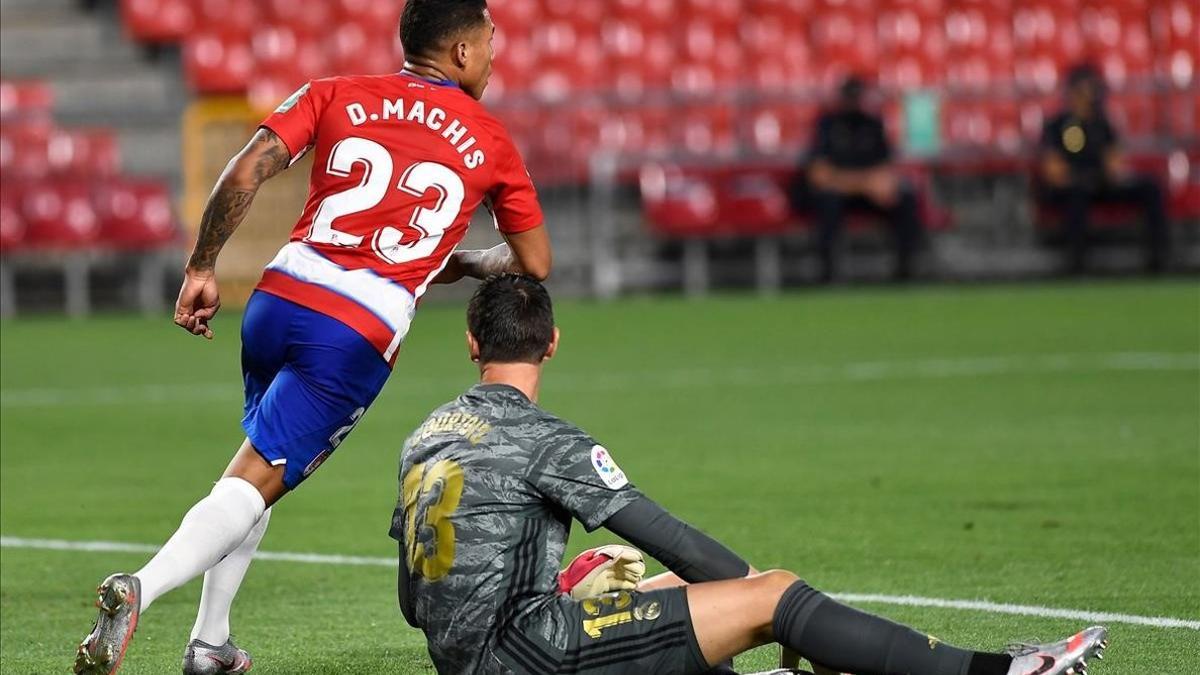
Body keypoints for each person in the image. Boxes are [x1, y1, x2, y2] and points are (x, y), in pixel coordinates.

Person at [73, 2, 551, 674]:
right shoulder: (490, 139)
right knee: (257, 478)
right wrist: (466, 261)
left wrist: (203, 265)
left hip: (278, 297)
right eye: (491, 43)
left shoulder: (336, 92)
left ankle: (210, 643)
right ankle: (141, 587)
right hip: (354, 329)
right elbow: (532, 261)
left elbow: (247, 168)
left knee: (253, 467)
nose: (495, 57)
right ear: (464, 53)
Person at [390, 273, 1109, 675]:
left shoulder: (423, 435)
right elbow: (677, 540)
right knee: (767, 590)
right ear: (552, 342)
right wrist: (767, 603)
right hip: (525, 656)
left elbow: (412, 603)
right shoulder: (548, 440)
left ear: (472, 343)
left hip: (475, 655)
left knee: (674, 593)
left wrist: (559, 583)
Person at [1037, 63, 1169, 274]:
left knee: (1150, 187)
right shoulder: (1056, 125)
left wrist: (1110, 173)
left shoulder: (1102, 124)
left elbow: (1115, 162)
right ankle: (1076, 263)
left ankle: (1159, 257)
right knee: (1076, 195)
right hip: (1073, 187)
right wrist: (1077, 178)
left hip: (1100, 183)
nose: (1088, 97)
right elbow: (1053, 170)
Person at [798, 76, 923, 283]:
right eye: (850, 97)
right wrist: (864, 183)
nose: (854, 102)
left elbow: (886, 172)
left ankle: (905, 271)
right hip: (839, 193)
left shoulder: (873, 124)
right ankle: (828, 274)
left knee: (905, 199)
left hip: (865, 195)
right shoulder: (826, 125)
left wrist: (875, 184)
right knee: (828, 201)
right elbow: (819, 175)